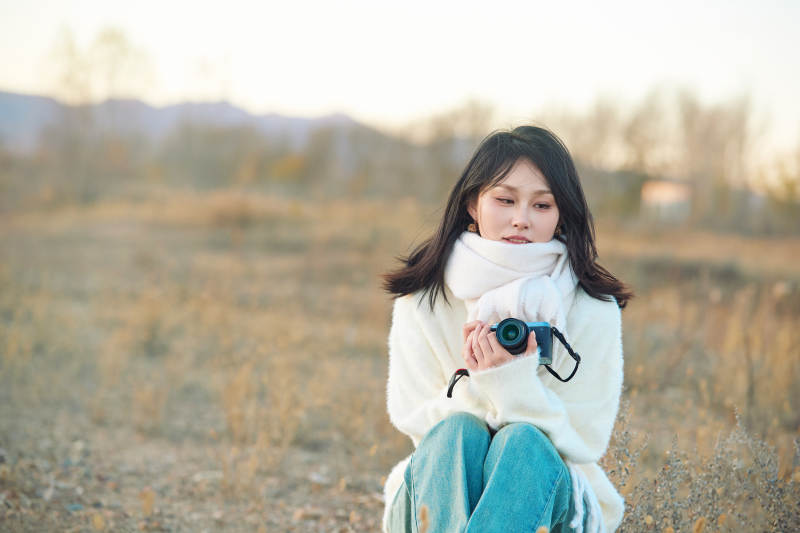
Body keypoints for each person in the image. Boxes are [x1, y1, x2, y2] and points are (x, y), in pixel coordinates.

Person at [380, 125, 633, 533]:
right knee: (456, 433)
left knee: (524, 445)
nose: (521, 220)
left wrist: (512, 383)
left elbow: (585, 440)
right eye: (505, 199)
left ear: (561, 213)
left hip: (550, 501)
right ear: (472, 205)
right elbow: (414, 420)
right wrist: (483, 381)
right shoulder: (423, 298)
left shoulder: (592, 307)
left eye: (541, 205)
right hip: (433, 497)